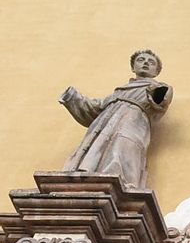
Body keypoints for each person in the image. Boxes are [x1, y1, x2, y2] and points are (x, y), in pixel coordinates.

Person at [59, 49, 172, 189]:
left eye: (151, 62)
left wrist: (156, 92)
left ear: (156, 72)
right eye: (141, 60)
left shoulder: (159, 87)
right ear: (133, 67)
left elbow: (160, 98)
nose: (145, 63)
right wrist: (73, 97)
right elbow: (96, 108)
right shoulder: (120, 91)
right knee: (101, 148)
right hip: (106, 124)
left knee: (124, 149)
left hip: (134, 124)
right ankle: (94, 173)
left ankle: (123, 182)